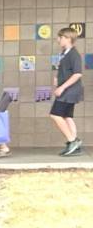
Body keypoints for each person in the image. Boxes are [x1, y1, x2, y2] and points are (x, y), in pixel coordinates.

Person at [50, 26, 84, 156]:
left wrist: (62, 87)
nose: (58, 40)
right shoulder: (65, 54)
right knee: (67, 116)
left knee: (55, 114)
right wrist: (57, 79)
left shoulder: (73, 54)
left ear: (68, 38)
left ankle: (72, 141)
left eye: (60, 37)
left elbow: (77, 74)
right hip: (68, 90)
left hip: (69, 91)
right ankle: (75, 145)